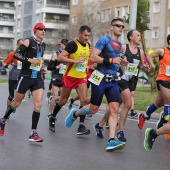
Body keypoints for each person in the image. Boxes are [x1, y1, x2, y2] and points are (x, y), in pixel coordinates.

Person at [65, 18, 128, 151]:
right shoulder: (104, 40)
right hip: (99, 78)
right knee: (93, 109)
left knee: (114, 108)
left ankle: (111, 140)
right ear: (111, 27)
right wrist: (111, 59)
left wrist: (121, 62)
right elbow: (93, 57)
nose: (121, 28)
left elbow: (114, 61)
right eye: (118, 26)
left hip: (112, 80)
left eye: (122, 26)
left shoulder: (119, 44)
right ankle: (75, 113)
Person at [93, 29, 147, 141]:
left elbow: (141, 65)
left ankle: (100, 124)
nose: (139, 37)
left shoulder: (140, 51)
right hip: (120, 77)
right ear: (131, 37)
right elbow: (114, 57)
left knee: (116, 106)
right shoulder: (123, 47)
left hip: (131, 79)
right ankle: (120, 131)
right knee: (128, 103)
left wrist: (146, 67)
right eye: (137, 35)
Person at [0, 23, 46, 142]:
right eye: (41, 29)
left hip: (37, 77)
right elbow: (17, 54)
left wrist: (40, 68)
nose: (43, 31)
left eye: (44, 29)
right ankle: (3, 119)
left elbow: (38, 60)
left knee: (38, 104)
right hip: (25, 76)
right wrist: (29, 60)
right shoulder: (28, 41)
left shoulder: (43, 45)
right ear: (35, 30)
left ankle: (33, 133)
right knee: (16, 103)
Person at [48, 25, 91, 135]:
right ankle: (52, 117)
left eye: (89, 36)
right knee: (62, 101)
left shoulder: (88, 45)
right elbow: (60, 57)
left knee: (84, 100)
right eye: (85, 35)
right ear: (79, 34)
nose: (87, 38)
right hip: (70, 76)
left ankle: (81, 126)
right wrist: (75, 61)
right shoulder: (73, 45)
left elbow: (88, 59)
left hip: (81, 77)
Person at [143, 34, 170, 152]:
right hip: (162, 79)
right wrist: (153, 65)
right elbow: (149, 56)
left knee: (159, 102)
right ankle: (165, 118)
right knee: (168, 100)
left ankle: (145, 115)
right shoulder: (162, 50)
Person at [47, 39, 69, 119]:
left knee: (63, 98)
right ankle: (50, 113)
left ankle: (54, 108)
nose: (67, 47)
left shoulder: (68, 55)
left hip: (64, 78)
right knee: (55, 97)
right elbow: (49, 67)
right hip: (56, 77)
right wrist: (57, 66)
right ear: (61, 45)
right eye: (65, 45)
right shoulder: (55, 54)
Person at [3, 39, 23, 115]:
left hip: (21, 77)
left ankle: (12, 106)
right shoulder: (13, 54)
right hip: (13, 77)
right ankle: (8, 110)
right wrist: (8, 65)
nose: (22, 47)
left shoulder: (25, 54)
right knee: (11, 96)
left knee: (20, 95)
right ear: (17, 45)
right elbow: (4, 63)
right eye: (20, 45)